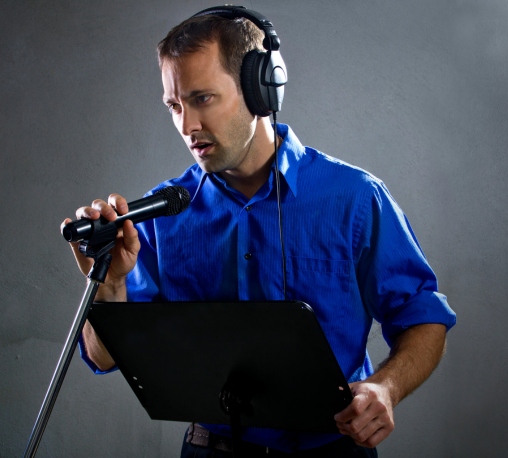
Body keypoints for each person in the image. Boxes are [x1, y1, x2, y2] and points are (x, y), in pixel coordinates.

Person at [62, 7, 456, 457]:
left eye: (202, 98)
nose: (187, 125)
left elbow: (423, 318)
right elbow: (103, 356)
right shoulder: (158, 212)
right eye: (175, 105)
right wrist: (109, 285)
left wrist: (385, 388)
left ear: (261, 89)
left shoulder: (355, 198)